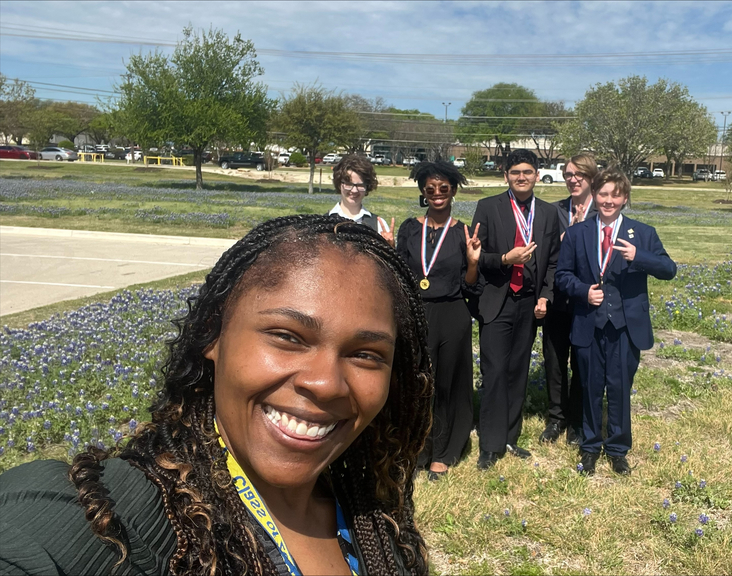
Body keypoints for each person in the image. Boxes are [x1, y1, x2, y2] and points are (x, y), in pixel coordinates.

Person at [0, 215, 432, 575]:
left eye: (366, 354)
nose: (326, 383)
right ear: (212, 335)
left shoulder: (372, 516)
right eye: (287, 336)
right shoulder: (105, 519)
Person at [555, 169, 676, 476]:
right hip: (589, 322)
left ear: (625, 198)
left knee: (620, 387)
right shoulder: (577, 233)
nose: (609, 201)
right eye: (603, 194)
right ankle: (590, 445)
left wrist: (640, 257)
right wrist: (583, 291)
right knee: (590, 386)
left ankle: (618, 448)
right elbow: (562, 276)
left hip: (625, 326)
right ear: (594, 195)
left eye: (615, 195)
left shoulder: (643, 233)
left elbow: (668, 268)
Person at [470, 149, 560, 470]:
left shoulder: (548, 214)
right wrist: (506, 259)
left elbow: (552, 262)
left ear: (537, 174)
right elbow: (476, 257)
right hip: (498, 299)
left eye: (527, 172)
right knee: (494, 371)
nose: (521, 177)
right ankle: (490, 445)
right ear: (505, 175)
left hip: (529, 303)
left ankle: (510, 437)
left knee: (517, 372)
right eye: (515, 172)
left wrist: (545, 296)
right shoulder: (488, 207)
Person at [396, 161, 481, 481]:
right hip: (417, 314)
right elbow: (401, 274)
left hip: (452, 313)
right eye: (430, 189)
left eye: (443, 188)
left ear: (453, 191)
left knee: (447, 384)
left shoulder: (463, 232)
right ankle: (418, 448)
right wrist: (390, 250)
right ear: (422, 192)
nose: (437, 194)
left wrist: (473, 262)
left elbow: (471, 284)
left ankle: (443, 452)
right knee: (416, 384)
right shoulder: (409, 228)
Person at [539, 154, 599, 446]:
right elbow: (546, 253)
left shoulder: (603, 211)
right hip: (557, 298)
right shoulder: (555, 211)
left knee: (582, 361)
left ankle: (576, 419)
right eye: (568, 175)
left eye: (579, 175)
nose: (573, 180)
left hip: (587, 300)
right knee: (554, 360)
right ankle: (556, 417)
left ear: (591, 177)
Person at [329, 154, 395, 246]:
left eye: (360, 185)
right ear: (339, 184)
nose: (354, 190)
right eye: (348, 184)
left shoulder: (378, 225)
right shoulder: (325, 221)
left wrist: (390, 246)